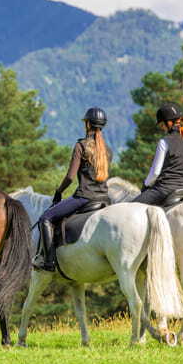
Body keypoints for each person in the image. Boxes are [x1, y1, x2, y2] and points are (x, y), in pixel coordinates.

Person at [33, 107, 112, 272]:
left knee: (45, 218)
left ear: (88, 124)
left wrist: (58, 191)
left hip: (84, 197)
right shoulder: (107, 150)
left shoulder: (81, 146)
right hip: (104, 199)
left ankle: (48, 261)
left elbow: (70, 177)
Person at [131, 103, 183, 206]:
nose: (162, 128)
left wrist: (145, 184)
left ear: (170, 123)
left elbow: (155, 172)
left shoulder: (164, 142)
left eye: (162, 125)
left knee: (131, 207)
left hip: (164, 189)